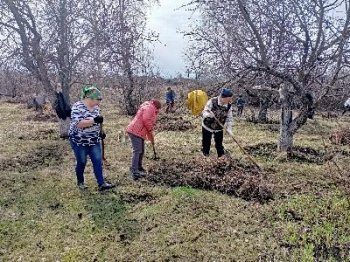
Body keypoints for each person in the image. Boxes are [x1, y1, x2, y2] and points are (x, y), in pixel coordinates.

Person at [69, 86, 115, 191]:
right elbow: (78, 124)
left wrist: (101, 132)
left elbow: (98, 122)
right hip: (79, 141)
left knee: (97, 160)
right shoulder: (77, 107)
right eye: (97, 100)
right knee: (82, 161)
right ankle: (80, 182)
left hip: (94, 140)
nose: (99, 103)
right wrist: (94, 120)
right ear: (90, 98)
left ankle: (101, 183)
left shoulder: (96, 108)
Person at [126, 99, 161, 180]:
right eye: (158, 110)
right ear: (157, 107)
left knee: (141, 150)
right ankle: (134, 171)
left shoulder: (149, 107)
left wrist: (151, 138)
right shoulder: (150, 108)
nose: (158, 111)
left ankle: (139, 167)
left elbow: (148, 127)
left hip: (139, 131)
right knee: (137, 151)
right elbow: (146, 120)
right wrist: (150, 129)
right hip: (135, 131)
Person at [201, 88, 234, 157]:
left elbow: (229, 118)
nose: (230, 100)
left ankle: (221, 158)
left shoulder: (229, 105)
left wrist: (229, 129)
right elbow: (204, 112)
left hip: (219, 127)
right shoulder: (212, 101)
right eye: (229, 99)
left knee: (219, 144)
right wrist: (209, 115)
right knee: (206, 143)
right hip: (207, 126)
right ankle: (205, 156)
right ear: (223, 98)